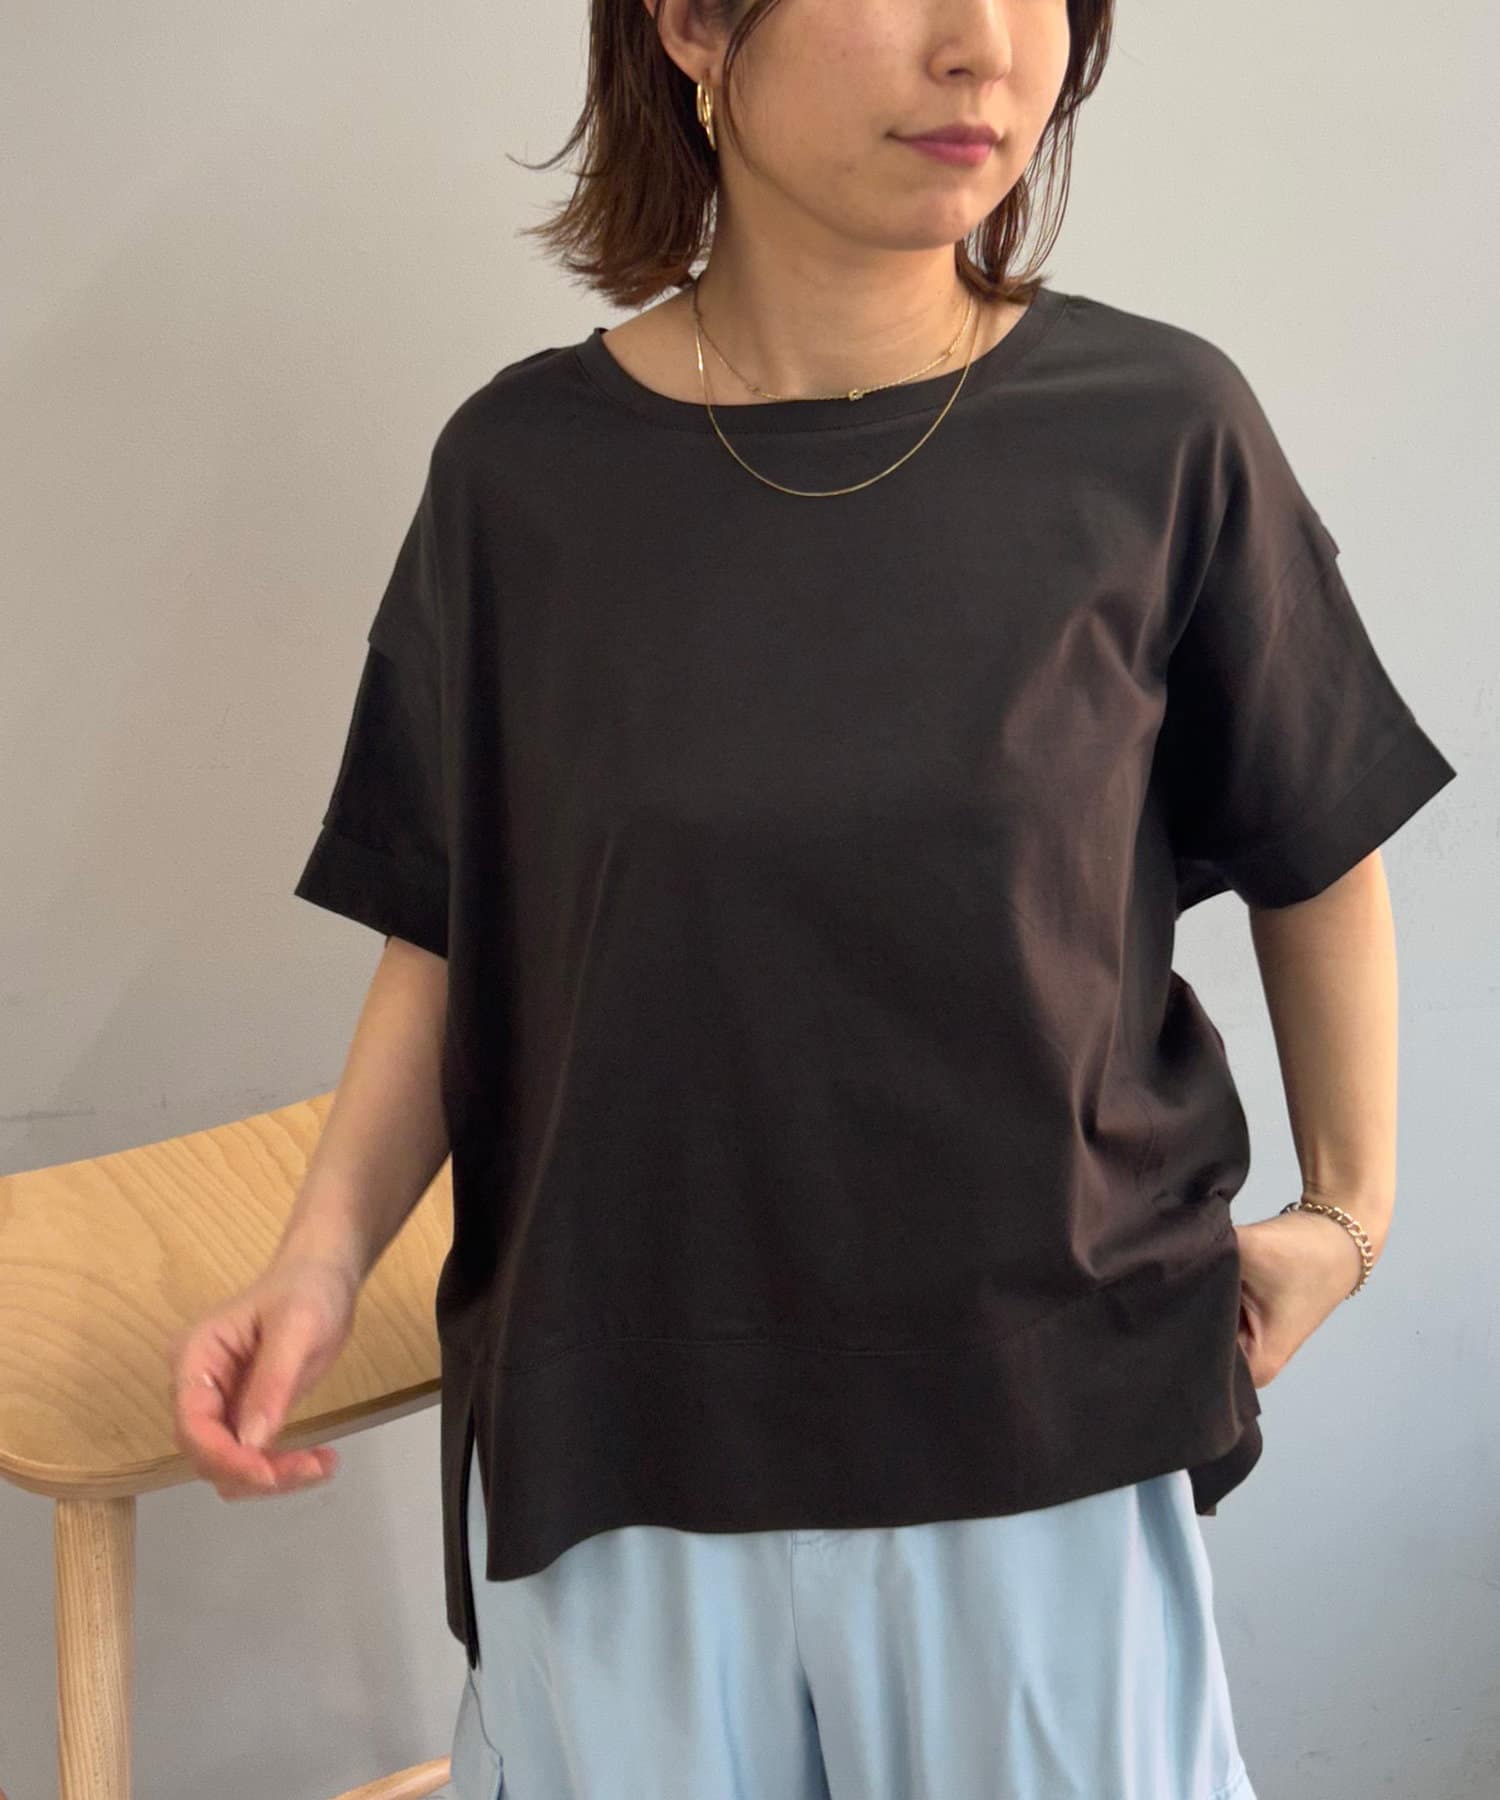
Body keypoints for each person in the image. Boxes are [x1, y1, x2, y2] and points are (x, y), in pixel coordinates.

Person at [171, 2, 1458, 1796]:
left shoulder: (1158, 432)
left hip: (1041, 1437)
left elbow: (1320, 832)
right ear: (697, 23)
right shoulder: (521, 479)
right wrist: (317, 1264)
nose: (985, 48)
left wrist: (1350, 1213)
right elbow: (459, 925)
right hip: (619, 1453)